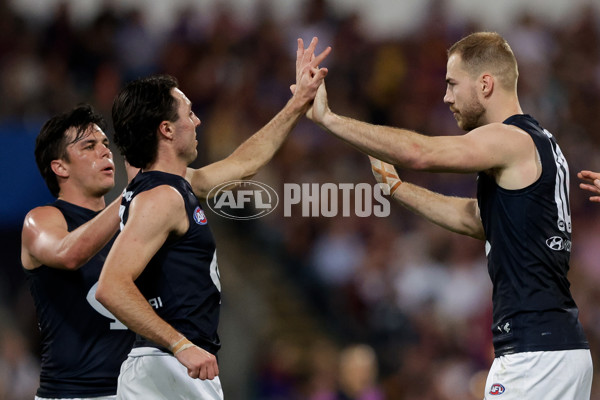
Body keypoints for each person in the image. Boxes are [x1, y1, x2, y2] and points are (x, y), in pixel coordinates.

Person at [303, 32, 592, 399]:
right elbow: (477, 219)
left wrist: (330, 120)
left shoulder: (509, 140)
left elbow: (419, 153)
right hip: (557, 348)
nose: (446, 97)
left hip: (535, 354)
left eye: (453, 84)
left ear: (485, 84)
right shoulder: (541, 142)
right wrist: (400, 190)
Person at [94, 37, 330, 399]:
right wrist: (179, 344)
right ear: (166, 129)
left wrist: (297, 103)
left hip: (169, 366)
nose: (197, 120)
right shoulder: (161, 199)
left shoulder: (174, 186)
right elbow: (111, 286)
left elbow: (242, 164)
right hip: (167, 367)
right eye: (188, 112)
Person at [20, 104, 136, 400]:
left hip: (135, 390)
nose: (105, 152)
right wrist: (131, 195)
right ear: (60, 166)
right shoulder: (42, 219)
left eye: (105, 144)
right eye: (89, 146)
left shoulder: (131, 224)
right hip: (72, 394)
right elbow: (67, 254)